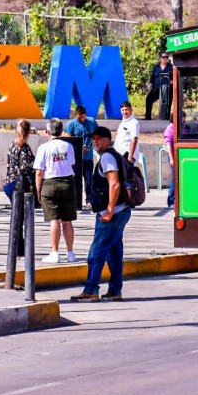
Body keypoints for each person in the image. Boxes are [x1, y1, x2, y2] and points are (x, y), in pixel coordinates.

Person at [70, 126, 133, 302]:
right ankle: (115, 290)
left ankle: (91, 290)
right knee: (114, 253)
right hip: (121, 211)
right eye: (93, 138)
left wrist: (110, 211)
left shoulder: (107, 157)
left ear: (107, 140)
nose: (95, 141)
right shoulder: (114, 155)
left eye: (99, 138)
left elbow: (114, 184)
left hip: (112, 213)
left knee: (96, 253)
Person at [34, 118, 77, 263]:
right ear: (61, 131)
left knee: (54, 221)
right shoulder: (68, 146)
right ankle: (70, 253)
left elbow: (39, 172)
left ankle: (55, 252)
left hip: (50, 183)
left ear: (48, 132)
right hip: (67, 182)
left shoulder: (43, 148)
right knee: (67, 221)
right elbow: (71, 163)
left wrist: (38, 190)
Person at [3, 119, 35, 258]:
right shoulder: (25, 148)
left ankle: (16, 248)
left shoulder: (12, 145)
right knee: (21, 219)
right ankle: (19, 250)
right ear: (28, 132)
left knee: (17, 217)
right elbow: (25, 168)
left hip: (9, 183)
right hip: (19, 184)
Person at [64, 105, 98, 209]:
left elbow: (97, 134)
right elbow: (67, 138)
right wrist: (78, 148)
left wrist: (94, 143)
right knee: (76, 180)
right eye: (80, 118)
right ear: (75, 116)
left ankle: (89, 199)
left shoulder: (91, 122)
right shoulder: (71, 124)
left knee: (89, 179)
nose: (82, 120)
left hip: (88, 157)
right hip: (76, 159)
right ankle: (76, 200)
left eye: (84, 117)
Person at [145, 52, 173, 120]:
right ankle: (148, 117)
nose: (166, 58)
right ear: (160, 58)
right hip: (156, 88)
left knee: (167, 103)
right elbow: (152, 77)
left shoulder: (171, 66)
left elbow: (175, 76)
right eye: (164, 57)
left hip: (167, 88)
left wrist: (173, 81)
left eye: (167, 57)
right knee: (148, 99)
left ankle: (166, 118)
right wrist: (150, 84)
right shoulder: (156, 67)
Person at [164, 120, 175, 209]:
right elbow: (169, 145)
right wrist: (171, 158)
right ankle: (170, 200)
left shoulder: (182, 126)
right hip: (174, 156)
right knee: (175, 178)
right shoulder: (170, 128)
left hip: (181, 156)